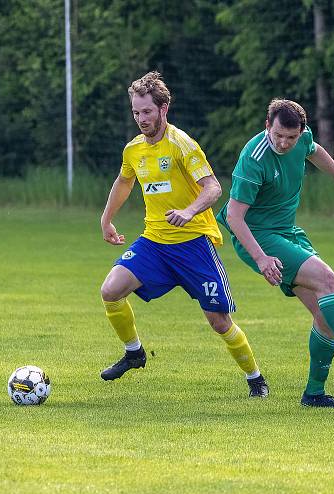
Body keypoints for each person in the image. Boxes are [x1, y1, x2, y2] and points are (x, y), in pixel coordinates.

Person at [217, 98, 334, 409]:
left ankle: (314, 394)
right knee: (328, 279)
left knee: (325, 314)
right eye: (278, 135)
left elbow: (316, 153)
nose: (284, 143)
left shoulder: (302, 140)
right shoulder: (254, 156)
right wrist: (262, 259)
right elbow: (234, 217)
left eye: (291, 137)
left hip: (287, 232)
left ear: (301, 131)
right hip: (258, 238)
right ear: (267, 126)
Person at [99, 71, 269, 398]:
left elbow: (214, 187)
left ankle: (255, 378)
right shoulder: (133, 150)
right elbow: (124, 182)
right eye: (136, 112)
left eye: (147, 111)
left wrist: (189, 211)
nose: (141, 119)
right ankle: (134, 352)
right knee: (111, 290)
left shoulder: (182, 144)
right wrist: (106, 220)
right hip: (154, 244)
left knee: (219, 322)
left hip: (194, 246)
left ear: (164, 109)